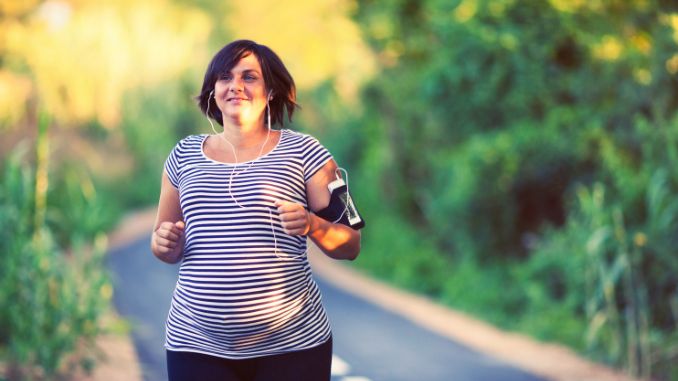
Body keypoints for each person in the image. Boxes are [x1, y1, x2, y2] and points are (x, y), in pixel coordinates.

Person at [150, 39, 363, 381]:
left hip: (294, 346)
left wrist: (312, 224)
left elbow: (351, 243)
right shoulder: (183, 156)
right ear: (212, 91)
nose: (235, 86)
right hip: (196, 344)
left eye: (249, 77)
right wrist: (164, 244)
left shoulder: (308, 153)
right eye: (224, 77)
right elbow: (163, 245)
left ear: (271, 91)